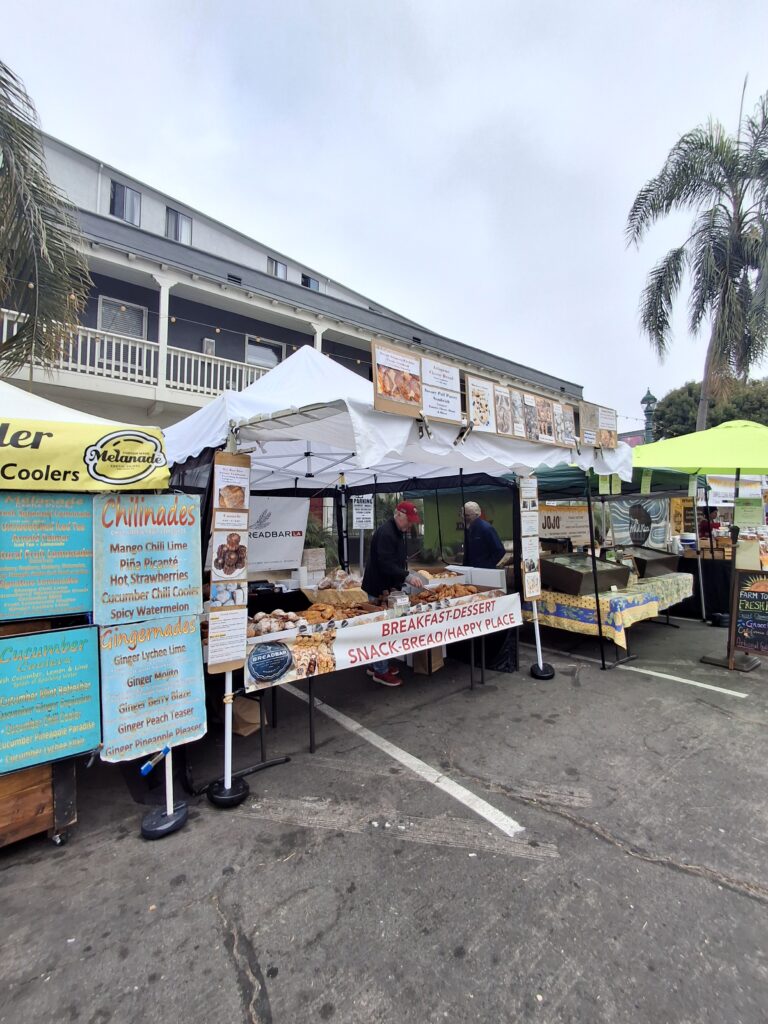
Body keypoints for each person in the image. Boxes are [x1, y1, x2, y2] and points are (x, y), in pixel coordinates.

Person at [361, 501, 423, 687]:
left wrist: (400, 579)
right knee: (381, 631)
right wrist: (407, 577)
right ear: (398, 515)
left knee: (384, 629)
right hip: (378, 588)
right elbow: (385, 563)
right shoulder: (387, 533)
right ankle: (380, 671)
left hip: (387, 586)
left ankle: (376, 665)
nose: (410, 525)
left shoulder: (397, 531)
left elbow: (395, 560)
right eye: (408, 521)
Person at [462, 501, 506, 568]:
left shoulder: (486, 528)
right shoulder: (469, 529)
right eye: (462, 515)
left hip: (484, 572)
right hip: (471, 570)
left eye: (467, 515)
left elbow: (500, 551)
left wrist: (487, 566)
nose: (464, 518)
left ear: (476, 515)